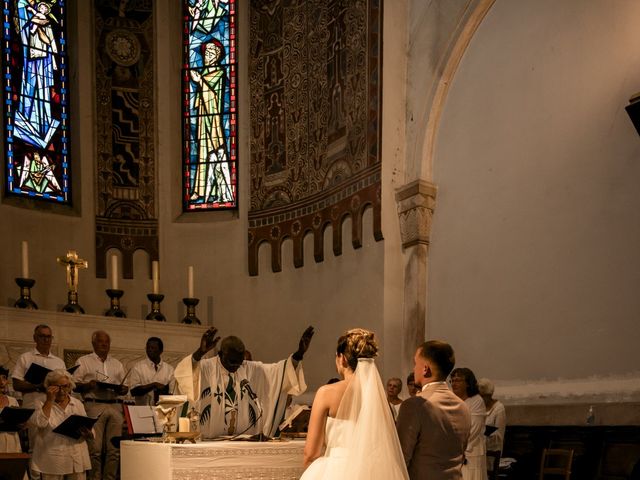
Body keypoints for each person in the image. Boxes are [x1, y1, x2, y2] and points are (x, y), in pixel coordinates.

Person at [301, 328, 409, 479]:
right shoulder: (378, 397)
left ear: (342, 358)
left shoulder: (326, 393)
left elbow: (311, 453)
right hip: (373, 471)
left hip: (335, 471)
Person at [174, 326, 313, 438]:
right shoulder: (206, 367)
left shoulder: (247, 368)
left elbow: (279, 372)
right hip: (208, 441)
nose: (235, 367)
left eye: (239, 363)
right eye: (232, 362)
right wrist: (199, 352)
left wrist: (299, 354)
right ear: (221, 354)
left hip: (243, 439)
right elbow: (184, 373)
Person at [396, 341, 471, 479]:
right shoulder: (463, 406)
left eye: (415, 364)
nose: (414, 369)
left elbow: (400, 458)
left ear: (425, 369)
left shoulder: (415, 405)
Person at [72, 331, 128, 480]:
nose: (104, 344)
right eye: (100, 342)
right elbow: (73, 384)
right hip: (94, 404)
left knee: (114, 450)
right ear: (93, 344)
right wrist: (88, 385)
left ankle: (110, 478)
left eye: (107, 342)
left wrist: (123, 389)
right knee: (94, 449)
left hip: (115, 405)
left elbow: (125, 386)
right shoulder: (83, 361)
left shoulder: (117, 363)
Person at [30, 369, 91, 480]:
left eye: (66, 386)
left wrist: (89, 432)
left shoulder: (77, 403)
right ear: (49, 387)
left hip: (76, 456)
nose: (62, 391)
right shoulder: (40, 402)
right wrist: (49, 400)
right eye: (57, 387)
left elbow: (86, 423)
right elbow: (41, 423)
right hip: (52, 457)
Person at [451, 368, 487, 480]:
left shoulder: (476, 401)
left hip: (471, 452)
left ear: (467, 383)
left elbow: (474, 430)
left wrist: (456, 447)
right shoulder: (453, 400)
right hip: (454, 452)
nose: (454, 383)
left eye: (458, 380)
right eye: (452, 380)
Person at [128, 337, 175, 406]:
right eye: (148, 347)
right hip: (142, 410)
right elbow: (133, 391)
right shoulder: (138, 367)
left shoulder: (169, 369)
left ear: (161, 350)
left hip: (163, 410)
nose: (149, 350)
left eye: (153, 348)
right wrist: (153, 385)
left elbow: (172, 393)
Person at [478, 378, 506, 458]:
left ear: (489, 395)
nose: (479, 399)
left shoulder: (499, 408)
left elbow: (499, 437)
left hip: (491, 453)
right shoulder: (479, 407)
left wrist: (482, 432)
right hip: (478, 450)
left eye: (482, 396)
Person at [0, 365, 22, 453]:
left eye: (4, 378)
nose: (1, 382)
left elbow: (18, 423)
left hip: (12, 440)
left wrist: (22, 423)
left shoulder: (13, 400)